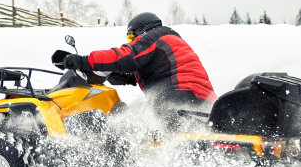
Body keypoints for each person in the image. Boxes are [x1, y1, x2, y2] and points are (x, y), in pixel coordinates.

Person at [63, 12, 216, 127]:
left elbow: (126, 56)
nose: (132, 42)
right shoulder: (171, 41)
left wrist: (84, 61)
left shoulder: (155, 37)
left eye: (131, 37)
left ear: (143, 30)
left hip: (178, 95)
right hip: (201, 100)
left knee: (133, 127)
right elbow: (162, 69)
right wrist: (128, 78)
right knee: (165, 135)